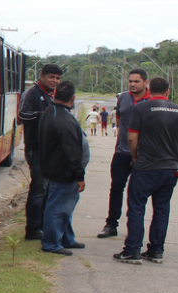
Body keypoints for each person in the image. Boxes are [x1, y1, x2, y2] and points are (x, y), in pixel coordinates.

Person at [113, 77, 178, 264]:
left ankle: (132, 250)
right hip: (169, 169)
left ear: (149, 89)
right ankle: (156, 250)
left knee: (136, 208)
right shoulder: (176, 110)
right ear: (168, 92)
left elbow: (131, 138)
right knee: (162, 210)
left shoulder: (141, 108)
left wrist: (135, 157)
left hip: (146, 167)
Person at [98, 69, 151, 238]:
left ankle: (134, 229)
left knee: (136, 193)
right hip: (122, 151)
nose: (133, 84)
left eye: (137, 81)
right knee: (116, 188)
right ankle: (111, 224)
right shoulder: (123, 98)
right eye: (130, 81)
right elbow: (119, 120)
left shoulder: (151, 100)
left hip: (143, 155)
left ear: (146, 83)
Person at [38, 81, 88, 255]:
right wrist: (79, 175)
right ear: (72, 98)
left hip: (54, 168)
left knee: (66, 206)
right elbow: (72, 151)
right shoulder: (63, 119)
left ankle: (67, 238)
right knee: (58, 208)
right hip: (63, 171)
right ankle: (51, 243)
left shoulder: (50, 112)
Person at [19, 64, 63, 240]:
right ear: (42, 76)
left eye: (58, 78)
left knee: (48, 190)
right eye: (52, 77)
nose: (55, 81)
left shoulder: (53, 95)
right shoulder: (32, 93)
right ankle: (33, 229)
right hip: (36, 149)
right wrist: (45, 114)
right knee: (38, 190)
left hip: (51, 151)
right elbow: (23, 115)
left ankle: (43, 225)